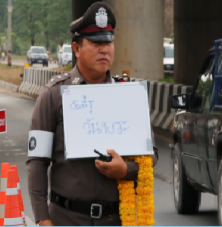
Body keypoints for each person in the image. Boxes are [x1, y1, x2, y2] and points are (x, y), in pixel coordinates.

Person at [27, 2, 158, 226]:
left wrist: (125, 170)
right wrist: (42, 219)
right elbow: (37, 162)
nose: (104, 49)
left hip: (117, 219)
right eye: (96, 43)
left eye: (108, 42)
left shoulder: (128, 95)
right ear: (76, 49)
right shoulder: (53, 96)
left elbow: (151, 155)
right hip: (67, 219)